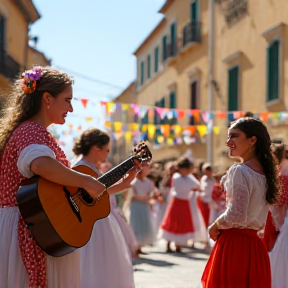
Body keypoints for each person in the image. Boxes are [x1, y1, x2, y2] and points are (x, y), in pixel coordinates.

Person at [0, 66, 111, 288]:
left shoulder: (32, 131)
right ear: (47, 98)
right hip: (29, 228)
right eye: (67, 100)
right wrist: (86, 181)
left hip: (36, 226)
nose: (71, 108)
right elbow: (41, 164)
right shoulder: (31, 131)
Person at [201, 117, 278, 288]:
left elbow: (237, 214)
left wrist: (215, 224)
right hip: (255, 247)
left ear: (252, 140)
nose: (228, 142)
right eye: (228, 137)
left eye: (234, 136)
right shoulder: (267, 173)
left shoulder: (240, 170)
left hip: (235, 245)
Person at [72, 128, 137, 288]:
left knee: (104, 267)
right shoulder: (80, 168)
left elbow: (103, 193)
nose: (108, 154)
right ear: (97, 148)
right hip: (91, 226)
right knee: (94, 266)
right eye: (107, 149)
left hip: (102, 223)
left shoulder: (93, 168)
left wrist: (129, 177)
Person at [160, 157, 201, 253]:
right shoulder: (177, 177)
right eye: (186, 169)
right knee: (172, 222)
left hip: (184, 202)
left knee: (182, 223)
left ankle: (178, 245)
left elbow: (198, 186)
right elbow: (192, 186)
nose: (187, 171)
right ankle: (169, 244)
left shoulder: (188, 178)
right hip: (176, 202)